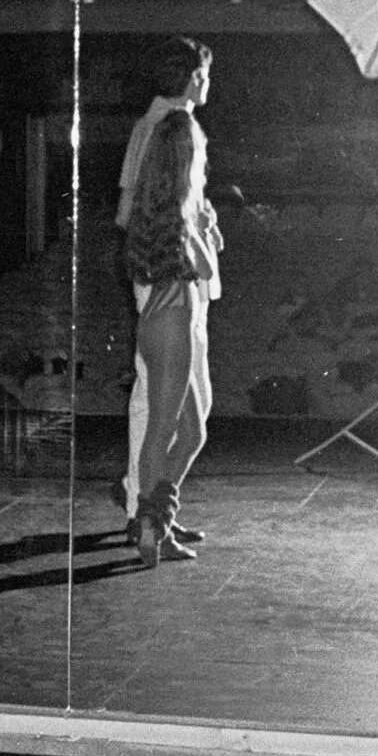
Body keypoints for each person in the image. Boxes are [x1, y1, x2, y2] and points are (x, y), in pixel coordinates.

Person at [114, 38, 222, 567]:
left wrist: (201, 226)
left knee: (182, 420)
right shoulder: (178, 128)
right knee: (165, 421)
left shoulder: (156, 130)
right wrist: (198, 245)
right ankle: (149, 521)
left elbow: (147, 210)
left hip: (160, 289)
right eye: (202, 73)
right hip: (174, 297)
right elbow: (170, 208)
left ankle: (153, 514)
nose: (207, 81)